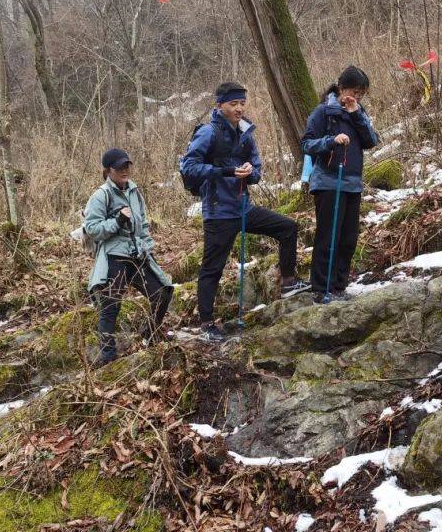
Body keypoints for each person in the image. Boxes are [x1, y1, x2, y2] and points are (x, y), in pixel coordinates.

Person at [180, 82, 311, 342]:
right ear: (220, 106)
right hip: (218, 212)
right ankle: (206, 324)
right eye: (233, 104)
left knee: (287, 227)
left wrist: (252, 173)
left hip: (243, 208)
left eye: (242, 103)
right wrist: (227, 171)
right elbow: (189, 168)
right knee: (212, 268)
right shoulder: (208, 133)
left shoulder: (245, 132)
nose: (239, 108)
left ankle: (287, 282)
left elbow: (257, 169)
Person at [83, 148, 174, 367]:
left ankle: (149, 335)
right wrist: (117, 222)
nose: (125, 170)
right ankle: (108, 358)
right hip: (114, 256)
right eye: (119, 167)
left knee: (163, 293)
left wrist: (148, 246)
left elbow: (142, 224)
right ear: (108, 171)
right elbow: (92, 228)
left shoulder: (135, 191)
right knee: (109, 306)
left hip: (138, 255)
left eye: (127, 166)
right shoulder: (100, 195)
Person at [300, 66, 379, 303]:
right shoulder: (323, 112)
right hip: (328, 181)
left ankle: (339, 286)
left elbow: (370, 140)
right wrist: (331, 141)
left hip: (352, 182)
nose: (357, 97)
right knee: (328, 236)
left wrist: (356, 114)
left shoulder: (359, 112)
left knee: (348, 238)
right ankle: (321, 288)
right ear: (341, 87)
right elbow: (306, 144)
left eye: (361, 94)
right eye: (354, 92)